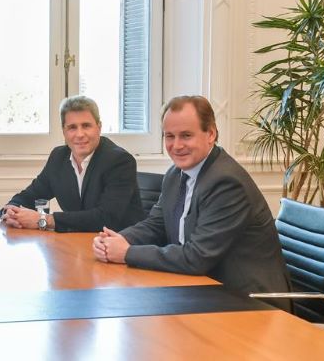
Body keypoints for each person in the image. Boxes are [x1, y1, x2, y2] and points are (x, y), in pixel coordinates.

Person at [92, 96, 291, 306]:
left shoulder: (226, 183)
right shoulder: (175, 174)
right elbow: (156, 224)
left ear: (211, 134)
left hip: (249, 301)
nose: (176, 145)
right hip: (202, 288)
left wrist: (127, 253)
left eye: (186, 135)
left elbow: (197, 257)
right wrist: (116, 240)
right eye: (169, 136)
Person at [0, 96, 144, 232]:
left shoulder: (119, 161)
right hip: (78, 241)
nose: (80, 134)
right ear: (64, 131)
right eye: (72, 127)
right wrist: (11, 211)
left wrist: (44, 220)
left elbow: (106, 218)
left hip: (120, 243)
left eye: (86, 126)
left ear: (99, 127)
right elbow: (31, 195)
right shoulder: (58, 157)